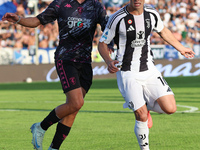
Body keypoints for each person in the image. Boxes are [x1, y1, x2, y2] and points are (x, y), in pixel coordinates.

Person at [2, 0, 113, 149]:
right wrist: (19, 19)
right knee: (76, 103)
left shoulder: (96, 5)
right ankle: (40, 127)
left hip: (85, 62)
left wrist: (110, 44)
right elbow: (37, 20)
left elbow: (107, 28)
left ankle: (54, 148)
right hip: (65, 59)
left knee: (73, 109)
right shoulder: (61, 3)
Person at [98, 0, 195, 150]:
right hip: (127, 72)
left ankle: (146, 105)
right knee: (141, 115)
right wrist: (108, 60)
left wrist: (181, 48)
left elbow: (163, 31)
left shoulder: (151, 13)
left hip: (149, 69)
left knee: (170, 108)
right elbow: (102, 43)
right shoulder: (117, 18)